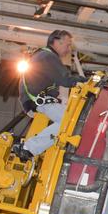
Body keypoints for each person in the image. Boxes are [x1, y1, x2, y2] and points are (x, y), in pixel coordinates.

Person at [14, 30, 81, 161]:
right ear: (57, 41)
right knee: (71, 121)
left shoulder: (41, 55)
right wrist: (89, 81)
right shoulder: (48, 56)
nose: (68, 50)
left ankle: (30, 147)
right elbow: (66, 80)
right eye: (67, 45)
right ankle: (29, 148)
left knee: (67, 122)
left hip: (37, 100)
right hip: (41, 101)